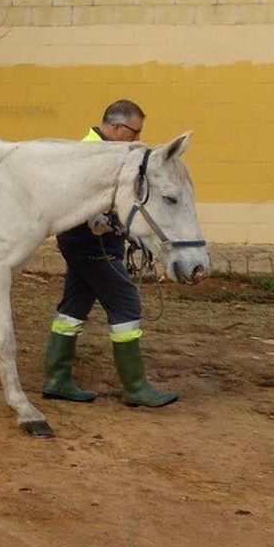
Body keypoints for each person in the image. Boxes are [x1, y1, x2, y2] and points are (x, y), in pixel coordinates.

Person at [41, 99, 178, 407]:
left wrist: (132, 235)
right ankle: (135, 387)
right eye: (134, 132)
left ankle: (56, 379)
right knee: (126, 303)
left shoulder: (106, 151)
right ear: (116, 127)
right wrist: (100, 222)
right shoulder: (89, 153)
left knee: (73, 307)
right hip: (90, 242)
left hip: (91, 242)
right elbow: (78, 198)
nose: (137, 140)